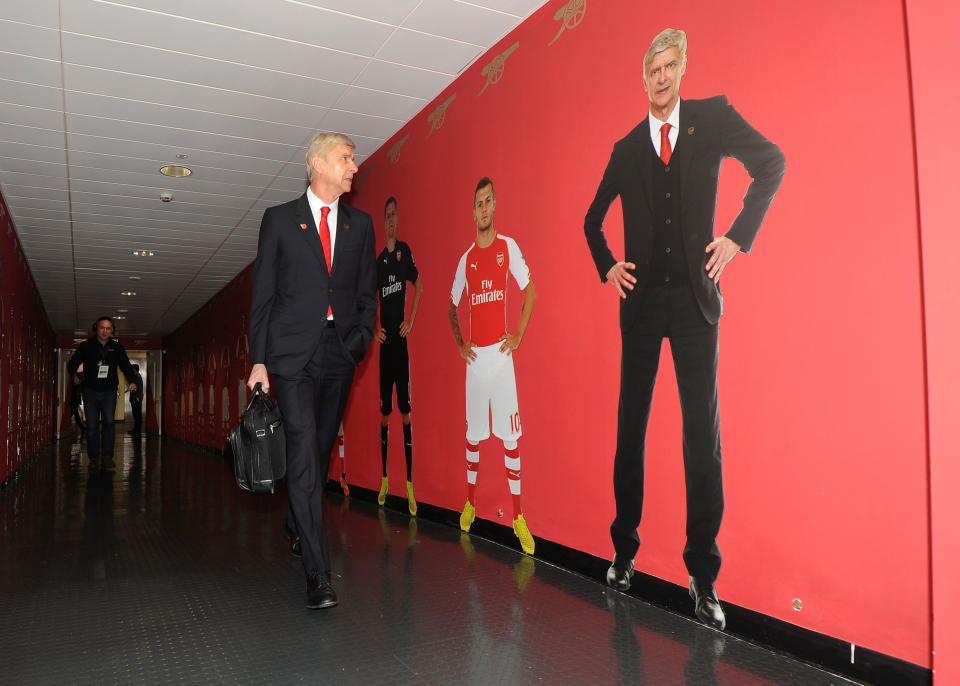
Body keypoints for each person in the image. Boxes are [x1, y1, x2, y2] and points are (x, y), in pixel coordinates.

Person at [583, 28, 785, 630]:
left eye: (670, 67)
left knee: (704, 439)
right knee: (630, 433)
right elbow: (592, 221)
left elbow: (772, 163)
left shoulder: (712, 119)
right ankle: (624, 552)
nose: (662, 77)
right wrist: (608, 267)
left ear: (683, 71)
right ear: (643, 78)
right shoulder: (624, 150)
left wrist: (736, 238)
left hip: (698, 306)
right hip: (642, 309)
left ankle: (703, 576)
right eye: (653, 69)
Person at [247, 131, 377, 610]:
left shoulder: (360, 227)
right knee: (303, 446)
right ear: (318, 164)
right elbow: (262, 296)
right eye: (345, 158)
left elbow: (366, 295)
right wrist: (258, 361)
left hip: (338, 352)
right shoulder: (280, 221)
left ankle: (295, 519)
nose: (353, 166)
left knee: (319, 452)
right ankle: (318, 574)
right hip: (291, 356)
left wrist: (357, 344)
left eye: (354, 159)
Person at [448, 177, 536, 555]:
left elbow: (530, 288)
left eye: (488, 202)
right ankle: (470, 503)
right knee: (473, 436)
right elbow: (452, 307)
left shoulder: (507, 247)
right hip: (475, 361)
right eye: (478, 203)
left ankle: (518, 517)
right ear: (473, 211)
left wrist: (517, 334)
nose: (483, 209)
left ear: (494, 205)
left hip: (501, 358)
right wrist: (460, 342)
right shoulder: (466, 259)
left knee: (510, 438)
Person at [374, 196, 423, 516]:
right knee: (384, 414)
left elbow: (419, 284)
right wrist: (372, 328)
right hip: (384, 347)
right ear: (383, 220)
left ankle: (409, 485)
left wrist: (412, 320)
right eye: (387, 215)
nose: (391, 220)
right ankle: (384, 479)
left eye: (394, 215)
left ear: (398, 219)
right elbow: (368, 298)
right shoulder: (378, 263)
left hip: (401, 346)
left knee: (405, 413)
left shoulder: (404, 252)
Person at [67, 317, 139, 469]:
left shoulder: (117, 348)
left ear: (112, 330)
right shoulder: (86, 346)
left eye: (108, 328)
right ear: (96, 328)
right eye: (102, 327)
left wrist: (132, 381)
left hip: (109, 392)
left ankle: (107, 457)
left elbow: (125, 365)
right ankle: (93, 458)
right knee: (92, 426)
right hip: (90, 392)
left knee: (108, 424)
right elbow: (73, 362)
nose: (105, 331)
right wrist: (73, 374)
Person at [128, 363, 144, 435]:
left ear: (135, 369)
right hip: (135, 399)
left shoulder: (137, 377)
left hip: (136, 399)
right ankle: (136, 429)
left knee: (137, 415)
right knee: (136, 415)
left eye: (132, 369)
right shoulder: (136, 376)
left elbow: (138, 389)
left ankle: (137, 430)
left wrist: (137, 398)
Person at [70, 372, 85, 438]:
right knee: (76, 414)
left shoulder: (80, 378)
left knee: (75, 414)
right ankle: (82, 428)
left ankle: (82, 428)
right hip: (74, 399)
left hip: (74, 399)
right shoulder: (80, 378)